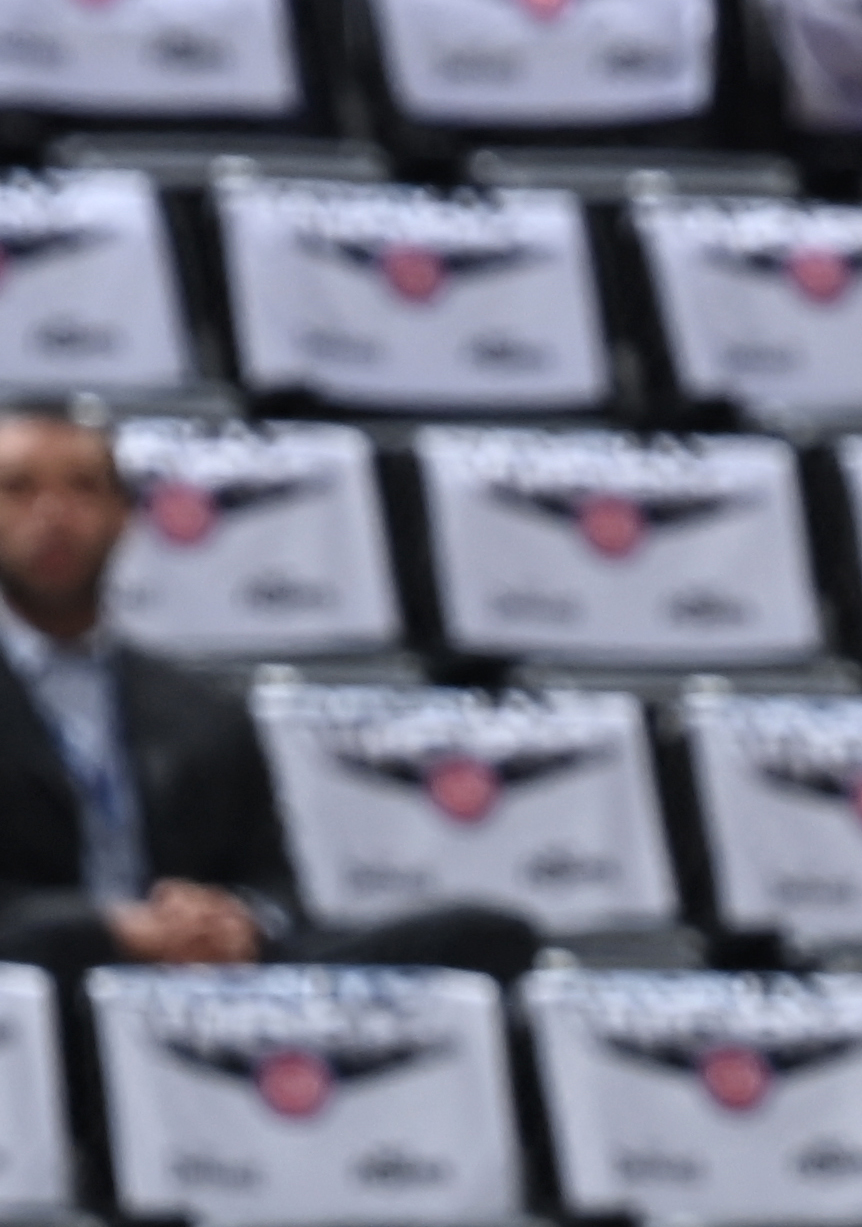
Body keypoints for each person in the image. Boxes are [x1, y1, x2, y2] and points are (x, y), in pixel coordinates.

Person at [0, 401, 523, 978]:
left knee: (484, 937)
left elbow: (275, 887)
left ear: (126, 514)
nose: (54, 514)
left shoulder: (203, 708)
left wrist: (240, 919)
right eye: (18, 489)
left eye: (82, 488)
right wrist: (110, 931)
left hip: (202, 986)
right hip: (36, 988)